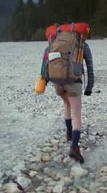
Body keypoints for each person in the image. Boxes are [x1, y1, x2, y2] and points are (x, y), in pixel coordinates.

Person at [41, 32, 94, 163]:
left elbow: (44, 67)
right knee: (76, 113)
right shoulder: (82, 45)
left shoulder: (52, 45)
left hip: (57, 82)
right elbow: (90, 68)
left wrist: (45, 82)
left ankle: (69, 134)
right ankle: (74, 147)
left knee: (67, 105)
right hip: (73, 82)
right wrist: (89, 87)